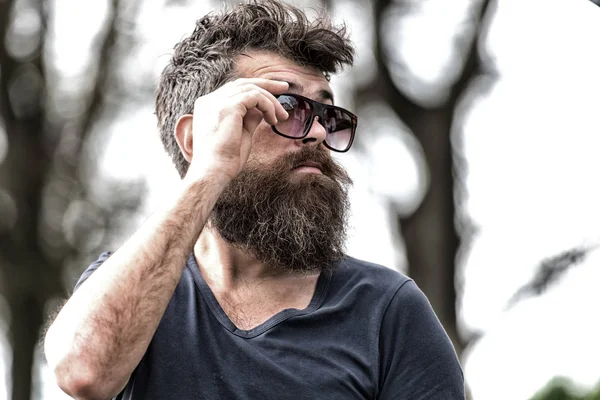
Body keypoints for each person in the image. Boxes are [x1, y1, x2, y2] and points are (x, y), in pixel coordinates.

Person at [44, 1, 465, 399]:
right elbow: (82, 373)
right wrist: (207, 174)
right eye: (286, 107)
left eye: (326, 114)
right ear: (196, 139)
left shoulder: (385, 310)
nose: (318, 133)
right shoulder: (131, 288)